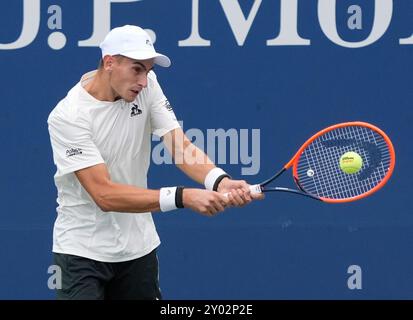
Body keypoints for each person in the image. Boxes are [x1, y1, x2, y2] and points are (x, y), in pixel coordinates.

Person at [47, 25, 262, 300]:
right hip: (81, 253)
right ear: (109, 62)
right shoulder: (68, 116)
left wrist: (219, 180)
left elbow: (180, 146)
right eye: (137, 69)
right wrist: (183, 197)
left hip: (138, 250)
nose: (144, 81)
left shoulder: (147, 87)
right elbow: (104, 194)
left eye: (148, 71)